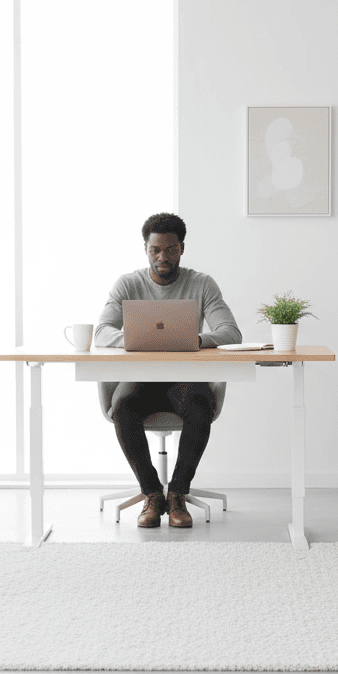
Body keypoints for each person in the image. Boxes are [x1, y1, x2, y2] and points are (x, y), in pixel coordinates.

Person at [95, 213, 242, 528]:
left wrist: (195, 339)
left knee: (200, 406)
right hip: (141, 379)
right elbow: (102, 332)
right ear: (146, 249)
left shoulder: (201, 284)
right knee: (122, 405)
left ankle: (177, 493)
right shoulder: (128, 284)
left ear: (182, 249)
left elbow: (231, 333)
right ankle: (152, 493)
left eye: (171, 249)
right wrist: (138, 339)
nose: (163, 257)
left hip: (185, 380)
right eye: (156, 250)